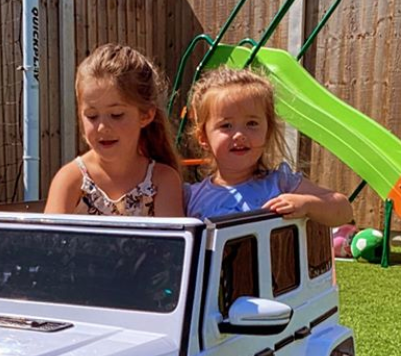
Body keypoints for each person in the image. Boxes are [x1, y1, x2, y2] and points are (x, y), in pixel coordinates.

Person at [184, 66, 353, 225]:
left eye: (251, 123)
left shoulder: (281, 184)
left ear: (268, 131)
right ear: (203, 137)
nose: (240, 135)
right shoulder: (191, 197)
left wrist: (307, 204)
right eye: (226, 126)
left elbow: (344, 210)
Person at [44, 43, 184, 216]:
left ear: (146, 115)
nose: (103, 127)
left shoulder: (163, 181)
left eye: (116, 115)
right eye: (92, 116)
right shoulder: (70, 180)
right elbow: (49, 242)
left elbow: (170, 242)